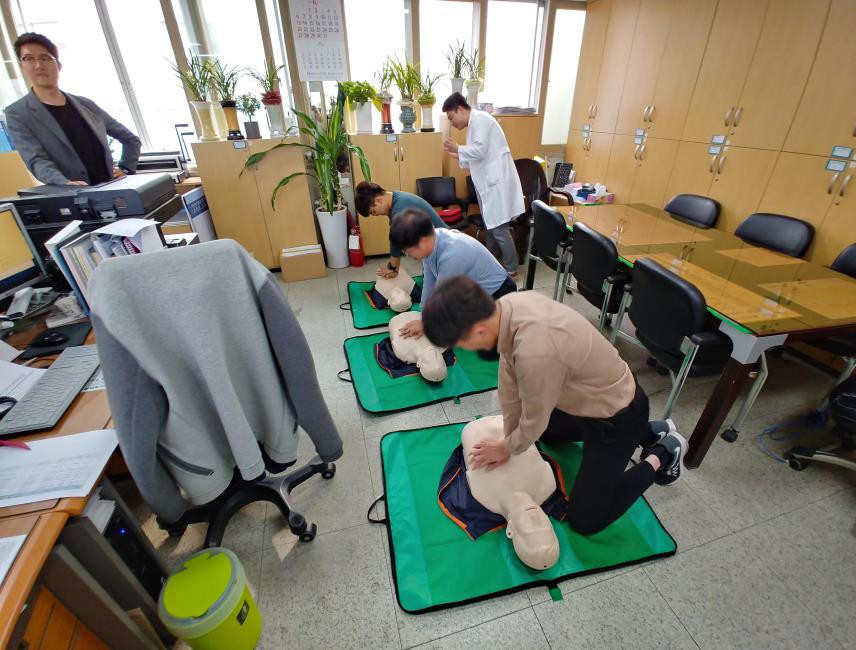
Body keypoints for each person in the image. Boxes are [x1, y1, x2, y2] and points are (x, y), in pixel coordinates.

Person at [421, 276, 687, 535]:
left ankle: (664, 453)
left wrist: (506, 448)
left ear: (478, 330)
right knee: (543, 435)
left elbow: (534, 417)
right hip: (583, 401)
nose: (463, 350)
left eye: (461, 344)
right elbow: (509, 382)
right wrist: (509, 435)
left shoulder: (536, 351)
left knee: (586, 520)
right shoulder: (507, 307)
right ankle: (649, 432)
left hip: (616, 418)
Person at [5, 32, 141, 186]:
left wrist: (126, 169)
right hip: (72, 200)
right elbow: (36, 160)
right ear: (21, 65)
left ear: (58, 65)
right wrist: (65, 183)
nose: (38, 65)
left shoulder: (86, 104)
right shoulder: (17, 113)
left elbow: (131, 139)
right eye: (29, 59)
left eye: (45, 58)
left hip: (113, 191)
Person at [389, 208, 516, 339]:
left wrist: (425, 323)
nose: (407, 255)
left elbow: (442, 298)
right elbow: (430, 281)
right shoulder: (432, 240)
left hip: (500, 294)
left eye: (406, 251)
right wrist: (423, 312)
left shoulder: (452, 254)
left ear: (422, 241)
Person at [442, 92, 524, 276]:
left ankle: (511, 269)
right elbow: (478, 155)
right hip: (488, 184)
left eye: (451, 117)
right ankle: (491, 264)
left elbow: (479, 151)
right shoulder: (474, 124)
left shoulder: (480, 119)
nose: (452, 123)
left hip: (495, 184)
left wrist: (459, 149)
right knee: (492, 226)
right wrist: (459, 154)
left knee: (499, 228)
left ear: (460, 109)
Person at [354, 181, 448, 279]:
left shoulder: (398, 209)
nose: (376, 215)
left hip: (442, 249)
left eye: (373, 212)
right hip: (435, 246)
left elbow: (395, 242)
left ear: (378, 201)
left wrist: (392, 269)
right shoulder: (396, 197)